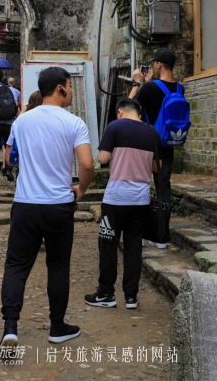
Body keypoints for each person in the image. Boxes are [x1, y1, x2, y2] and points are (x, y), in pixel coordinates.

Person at [0, 67, 94, 348]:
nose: (72, 91)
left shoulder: (22, 121)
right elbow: (88, 165)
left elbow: (9, 160)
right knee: (58, 266)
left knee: (16, 266)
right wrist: (82, 189)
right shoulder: (74, 123)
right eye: (69, 86)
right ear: (61, 89)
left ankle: (10, 327)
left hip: (26, 203)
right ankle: (57, 326)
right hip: (59, 205)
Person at [85, 99, 159, 311]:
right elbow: (155, 166)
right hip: (141, 199)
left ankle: (106, 292)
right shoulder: (152, 132)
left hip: (116, 198)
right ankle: (131, 297)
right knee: (134, 247)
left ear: (120, 112)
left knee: (108, 244)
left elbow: (103, 158)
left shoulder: (115, 127)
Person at [129, 48, 182, 248]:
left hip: (147, 143)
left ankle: (140, 233)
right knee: (163, 187)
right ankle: (160, 236)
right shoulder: (179, 88)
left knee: (141, 184)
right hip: (167, 144)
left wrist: (138, 82)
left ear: (158, 65)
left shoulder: (150, 88)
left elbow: (128, 106)